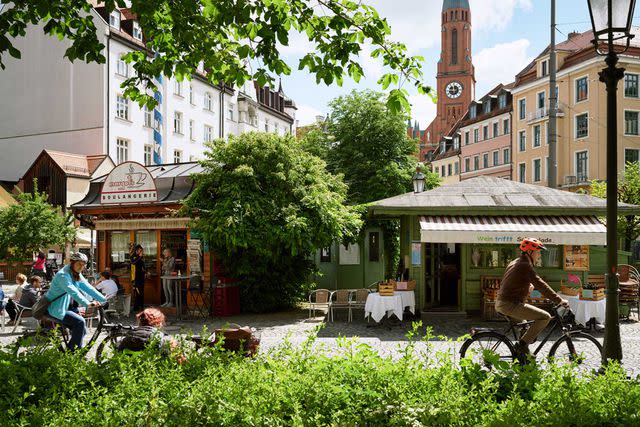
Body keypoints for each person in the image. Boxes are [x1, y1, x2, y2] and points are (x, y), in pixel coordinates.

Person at [496, 237, 568, 357]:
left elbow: (512, 282)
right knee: (545, 317)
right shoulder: (524, 265)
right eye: (538, 252)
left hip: (503, 302)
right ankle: (522, 346)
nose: (539, 255)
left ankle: (523, 358)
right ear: (530, 252)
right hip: (510, 304)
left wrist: (525, 287)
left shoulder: (516, 262)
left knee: (525, 327)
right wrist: (559, 299)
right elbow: (540, 284)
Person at [44, 252, 107, 351]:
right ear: (72, 262)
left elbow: (88, 288)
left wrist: (103, 299)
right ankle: (73, 354)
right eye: (79, 264)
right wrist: (87, 303)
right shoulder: (63, 275)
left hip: (66, 307)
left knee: (82, 331)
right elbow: (73, 291)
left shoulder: (76, 274)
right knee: (80, 322)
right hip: (56, 308)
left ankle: (69, 353)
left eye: (83, 264)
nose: (81, 267)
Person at [130, 244, 146, 312]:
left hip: (141, 277)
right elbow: (133, 263)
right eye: (140, 250)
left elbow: (142, 266)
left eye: (141, 250)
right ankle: (137, 307)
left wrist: (146, 272)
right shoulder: (133, 256)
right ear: (137, 251)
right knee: (139, 293)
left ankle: (139, 306)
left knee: (141, 292)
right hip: (135, 278)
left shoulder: (141, 257)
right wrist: (139, 257)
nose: (141, 251)